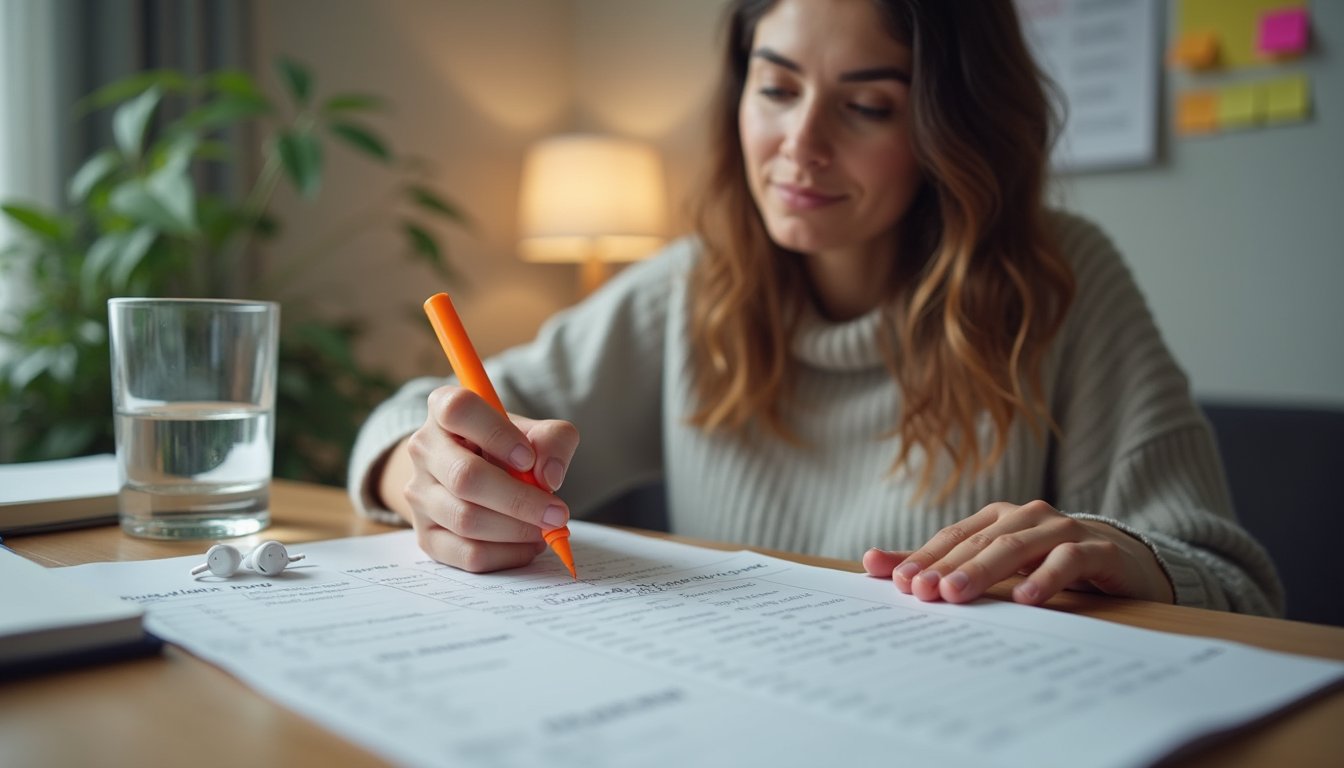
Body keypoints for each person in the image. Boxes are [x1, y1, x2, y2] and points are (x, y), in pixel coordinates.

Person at [348, 0, 1282, 616]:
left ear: (950, 128)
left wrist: (1123, 553)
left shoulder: (1061, 282)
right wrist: (421, 472)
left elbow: (1238, 585)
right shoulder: (690, 288)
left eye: (867, 106)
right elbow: (410, 419)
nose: (800, 145)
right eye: (776, 87)